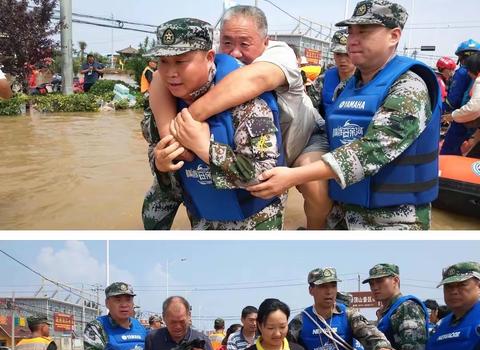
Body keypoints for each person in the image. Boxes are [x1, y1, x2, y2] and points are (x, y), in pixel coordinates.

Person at [247, 0, 442, 231]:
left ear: (394, 36)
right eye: (350, 32)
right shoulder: (346, 87)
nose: (353, 39)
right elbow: (326, 131)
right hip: (343, 213)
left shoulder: (409, 87)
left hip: (393, 220)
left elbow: (372, 150)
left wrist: (294, 176)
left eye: (364, 32)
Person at [146, 6, 331, 230]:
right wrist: (166, 153)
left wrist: (195, 135)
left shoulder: (277, 59)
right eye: (227, 43)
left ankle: (315, 231)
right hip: (217, 193)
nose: (234, 52)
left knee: (315, 189)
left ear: (265, 42)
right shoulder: (174, 85)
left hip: (302, 139)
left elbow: (252, 80)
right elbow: (158, 78)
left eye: (244, 44)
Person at [441, 39, 480, 154]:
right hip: (473, 123)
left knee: (449, 152)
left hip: (463, 119)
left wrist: (448, 114)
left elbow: (454, 99)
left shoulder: (463, 72)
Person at [312, 30, 356, 119]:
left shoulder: (367, 80)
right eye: (338, 54)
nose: (342, 60)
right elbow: (311, 111)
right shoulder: (322, 80)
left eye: (347, 54)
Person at [442, 53, 480, 125]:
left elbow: (473, 108)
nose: (468, 73)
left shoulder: (477, 81)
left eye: (469, 70)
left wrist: (452, 116)